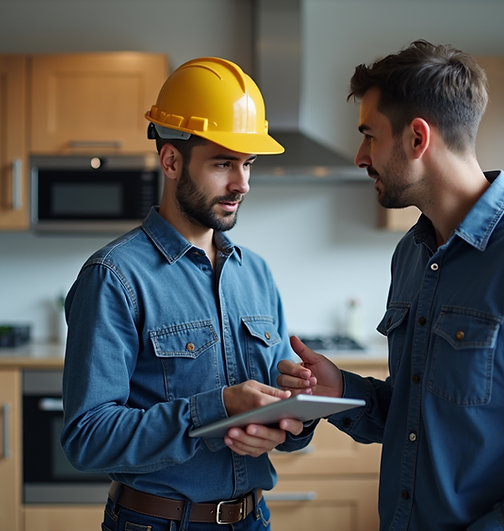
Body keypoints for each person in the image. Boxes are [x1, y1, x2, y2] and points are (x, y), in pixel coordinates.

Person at [277, 40, 504, 530]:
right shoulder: (411, 255)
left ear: (417, 139)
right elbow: (419, 420)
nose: (360, 156)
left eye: (369, 136)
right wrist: (342, 390)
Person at [61, 56, 314, 531]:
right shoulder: (114, 277)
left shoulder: (255, 273)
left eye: (247, 164)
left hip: (253, 520)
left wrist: (295, 414)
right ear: (171, 160)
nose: (241, 184)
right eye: (223, 163)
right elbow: (87, 437)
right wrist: (216, 409)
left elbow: (284, 423)